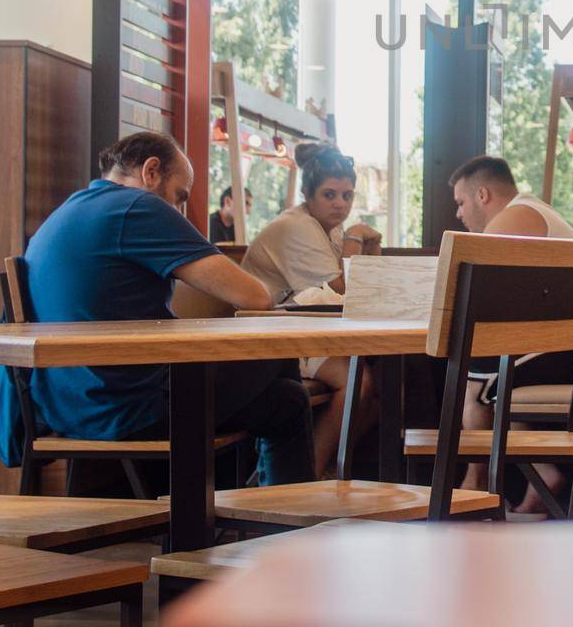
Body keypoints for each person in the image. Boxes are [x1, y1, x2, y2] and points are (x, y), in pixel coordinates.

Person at [23, 131, 314, 485]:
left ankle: (225, 501)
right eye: (179, 197)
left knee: (286, 400)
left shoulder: (67, 210)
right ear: (151, 171)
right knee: (279, 351)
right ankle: (265, 520)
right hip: (126, 408)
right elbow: (255, 297)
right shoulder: (138, 207)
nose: (177, 211)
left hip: (64, 407)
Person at [449, 154, 573, 518]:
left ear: (482, 194)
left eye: (461, 202)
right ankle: (543, 476)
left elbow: (468, 284)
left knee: (474, 383)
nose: (458, 213)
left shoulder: (516, 216)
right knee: (495, 373)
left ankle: (473, 488)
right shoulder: (531, 212)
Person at [242, 143, 381, 476]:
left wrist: (368, 245)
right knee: (359, 385)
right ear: (308, 194)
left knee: (380, 391)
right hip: (269, 338)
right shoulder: (298, 227)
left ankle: (326, 468)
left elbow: (367, 290)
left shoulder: (325, 227)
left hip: (301, 329)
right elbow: (343, 289)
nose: (340, 204)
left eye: (347, 196)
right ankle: (311, 473)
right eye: (329, 194)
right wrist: (354, 240)